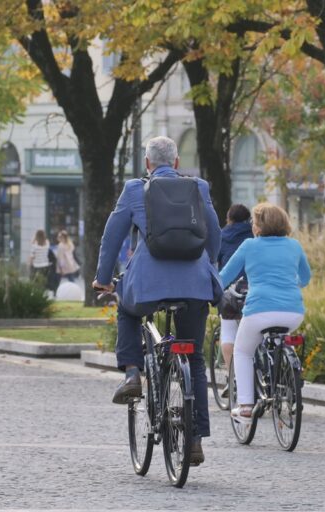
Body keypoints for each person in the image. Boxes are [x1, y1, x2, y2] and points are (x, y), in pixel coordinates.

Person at [92, 135, 221, 466]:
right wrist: (208, 267)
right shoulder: (199, 187)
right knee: (194, 357)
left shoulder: (135, 189)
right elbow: (215, 233)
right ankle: (195, 440)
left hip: (148, 285)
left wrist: (104, 279)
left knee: (126, 309)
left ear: (147, 164)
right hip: (194, 286)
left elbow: (112, 237)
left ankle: (132, 374)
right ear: (176, 163)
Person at [219, 202, 311, 424]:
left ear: (259, 226)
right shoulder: (294, 245)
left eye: (254, 222)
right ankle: (284, 376)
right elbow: (305, 278)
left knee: (243, 351)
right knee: (279, 339)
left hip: (259, 310)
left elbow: (224, 276)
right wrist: (291, 284)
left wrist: (209, 290)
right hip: (293, 312)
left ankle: (245, 407)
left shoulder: (249, 246)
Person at [217, 203, 253, 377]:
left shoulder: (221, 236)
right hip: (253, 290)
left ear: (228, 219)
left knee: (228, 332)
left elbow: (214, 261)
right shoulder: (255, 235)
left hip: (231, 292)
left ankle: (234, 378)